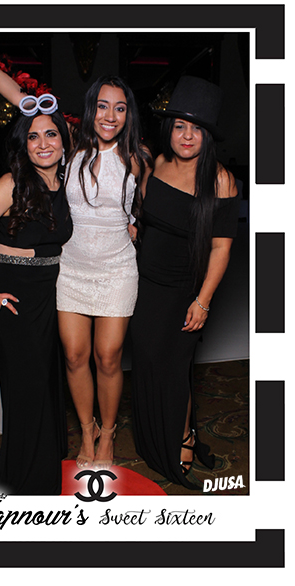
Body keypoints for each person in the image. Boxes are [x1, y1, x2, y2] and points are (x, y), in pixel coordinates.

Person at [0, 39, 152, 471]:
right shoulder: (72, 147)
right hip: (70, 269)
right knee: (74, 357)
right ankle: (87, 430)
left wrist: (135, 225)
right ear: (90, 110)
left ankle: (109, 432)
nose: (110, 116)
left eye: (119, 108)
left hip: (116, 269)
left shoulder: (139, 158)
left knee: (109, 356)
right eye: (102, 106)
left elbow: (148, 206)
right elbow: (22, 100)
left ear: (128, 114)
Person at [0, 93, 73, 495]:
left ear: (64, 139)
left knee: (46, 381)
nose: (43, 143)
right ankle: (27, 482)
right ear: (23, 145)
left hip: (48, 293)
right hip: (13, 296)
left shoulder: (66, 183)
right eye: (33, 136)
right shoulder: (12, 184)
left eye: (51, 134)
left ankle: (45, 463)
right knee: (28, 387)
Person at [130, 76, 240, 490]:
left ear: (208, 135)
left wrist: (203, 301)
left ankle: (183, 435)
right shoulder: (158, 163)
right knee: (146, 361)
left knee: (174, 368)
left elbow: (221, 249)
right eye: (180, 126)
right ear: (169, 128)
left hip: (183, 291)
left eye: (197, 128)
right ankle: (152, 436)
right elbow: (144, 217)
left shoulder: (221, 180)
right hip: (144, 284)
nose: (187, 135)